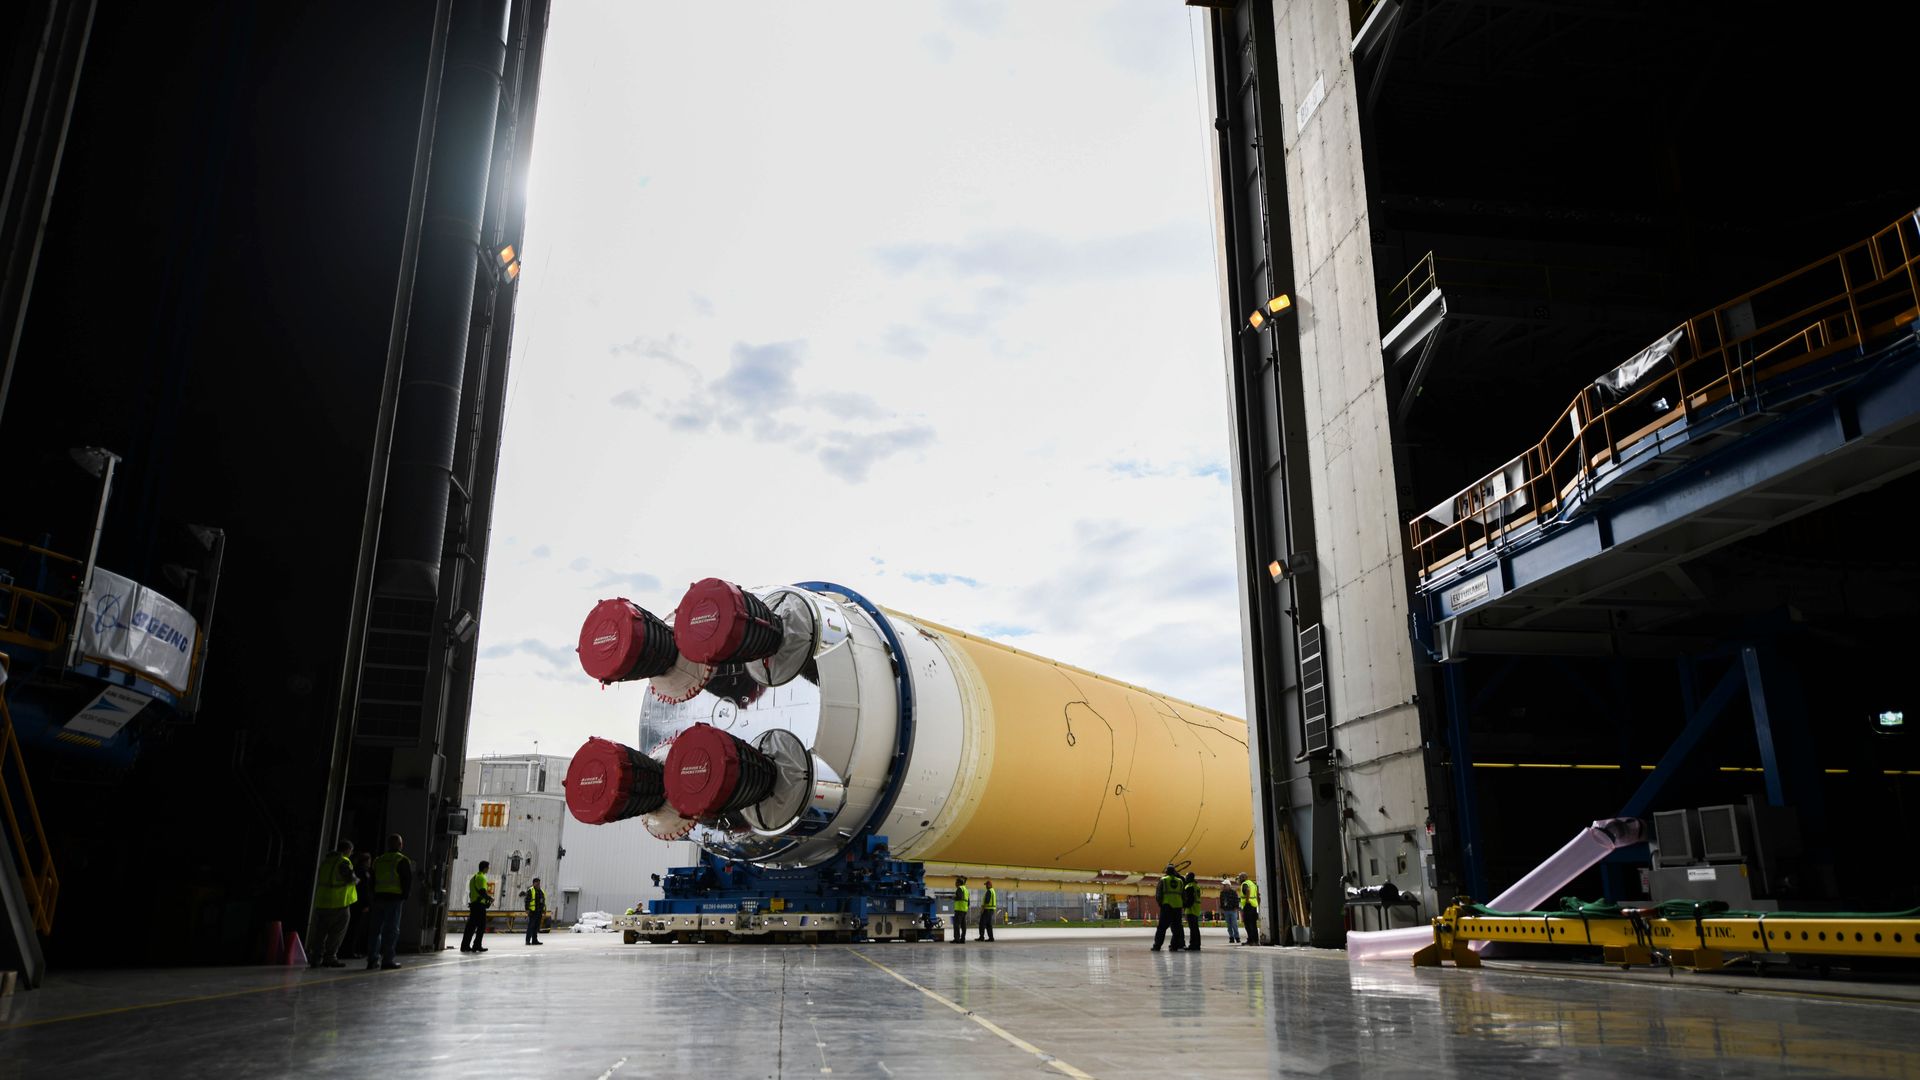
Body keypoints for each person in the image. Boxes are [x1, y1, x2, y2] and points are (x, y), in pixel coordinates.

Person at [367, 833, 411, 970]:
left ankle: (372, 960)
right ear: (400, 845)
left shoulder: (378, 860)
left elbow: (372, 880)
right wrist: (404, 896)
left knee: (375, 930)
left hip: (378, 898)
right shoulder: (402, 860)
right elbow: (406, 881)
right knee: (391, 931)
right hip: (394, 899)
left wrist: (373, 896)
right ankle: (387, 960)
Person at [310, 840, 357, 969]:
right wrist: (357, 880)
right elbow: (351, 879)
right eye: (351, 851)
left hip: (322, 902)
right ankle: (330, 957)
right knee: (336, 933)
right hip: (338, 903)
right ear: (347, 850)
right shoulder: (343, 862)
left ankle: (316, 958)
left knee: (320, 933)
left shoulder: (326, 861)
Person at [341, 851, 374, 960]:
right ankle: (350, 951)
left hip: (352, 901)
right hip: (359, 903)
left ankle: (345, 949)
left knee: (350, 927)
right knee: (355, 928)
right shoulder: (364, 873)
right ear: (366, 861)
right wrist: (366, 904)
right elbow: (364, 890)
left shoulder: (354, 870)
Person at [461, 860, 494, 953]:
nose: (488, 869)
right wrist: (490, 898)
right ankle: (477, 945)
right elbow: (482, 891)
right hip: (479, 906)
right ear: (485, 868)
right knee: (481, 926)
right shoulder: (482, 877)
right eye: (488, 867)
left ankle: (465, 946)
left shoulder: (474, 877)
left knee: (471, 927)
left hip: (474, 905)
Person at [1151, 863, 1186, 951]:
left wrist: (1161, 904)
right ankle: (1174, 946)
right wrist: (1182, 904)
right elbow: (1184, 895)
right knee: (1177, 928)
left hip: (1167, 906)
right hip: (1178, 907)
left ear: (1166, 872)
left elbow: (1158, 894)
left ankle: (1157, 946)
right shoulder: (1180, 881)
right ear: (1174, 872)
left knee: (1162, 928)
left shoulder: (1163, 880)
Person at [523, 877, 548, 945]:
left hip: (539, 912)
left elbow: (543, 901)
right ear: (534, 883)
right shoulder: (530, 890)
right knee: (531, 926)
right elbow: (527, 900)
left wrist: (544, 910)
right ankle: (527, 941)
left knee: (536, 927)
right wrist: (527, 909)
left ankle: (534, 940)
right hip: (532, 911)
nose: (538, 885)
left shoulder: (541, 891)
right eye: (537, 883)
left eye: (539, 883)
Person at [1182, 872, 1202, 950]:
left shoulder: (1189, 886)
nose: (1185, 878)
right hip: (1196, 909)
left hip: (1191, 910)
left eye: (1186, 877)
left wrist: (1184, 906)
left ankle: (1193, 945)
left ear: (1189, 878)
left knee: (1193, 929)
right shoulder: (1196, 886)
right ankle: (1197, 944)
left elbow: (1189, 899)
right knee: (1195, 928)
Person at [1240, 873, 1260, 947]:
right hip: (1254, 905)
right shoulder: (1253, 884)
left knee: (1248, 924)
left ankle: (1251, 941)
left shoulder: (1245, 884)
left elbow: (1247, 890)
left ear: (1243, 877)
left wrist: (1247, 900)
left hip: (1248, 905)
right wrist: (1258, 903)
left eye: (1240, 878)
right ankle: (1256, 941)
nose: (1239, 879)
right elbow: (1258, 894)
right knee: (1254, 924)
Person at [1220, 874, 1242, 944]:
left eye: (1224, 885)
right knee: (1229, 926)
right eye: (1223, 885)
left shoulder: (1233, 892)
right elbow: (1221, 901)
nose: (1223, 886)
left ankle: (1237, 937)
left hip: (1233, 911)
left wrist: (1236, 908)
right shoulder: (1222, 893)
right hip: (1226, 911)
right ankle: (1231, 937)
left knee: (1234, 925)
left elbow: (1236, 900)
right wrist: (1222, 908)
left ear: (1228, 885)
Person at [951, 876, 969, 944]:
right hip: (964, 909)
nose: (955, 884)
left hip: (959, 909)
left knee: (956, 924)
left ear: (959, 883)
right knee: (963, 925)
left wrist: (954, 898)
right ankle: (962, 939)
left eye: (956, 882)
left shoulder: (960, 888)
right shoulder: (966, 890)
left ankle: (957, 939)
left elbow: (959, 897)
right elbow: (968, 902)